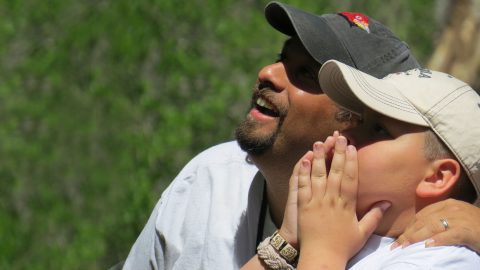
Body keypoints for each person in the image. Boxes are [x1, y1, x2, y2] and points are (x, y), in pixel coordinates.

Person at [121, 2, 480, 269]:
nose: (268, 73)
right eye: (280, 58)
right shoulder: (212, 174)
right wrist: (282, 247)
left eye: (308, 74)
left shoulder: (437, 256)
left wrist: (321, 251)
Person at [243, 60, 480, 269]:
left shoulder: (441, 259)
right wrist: (285, 242)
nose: (343, 136)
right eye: (356, 121)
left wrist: (325, 253)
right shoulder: (340, 238)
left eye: (379, 129)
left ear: (437, 177)